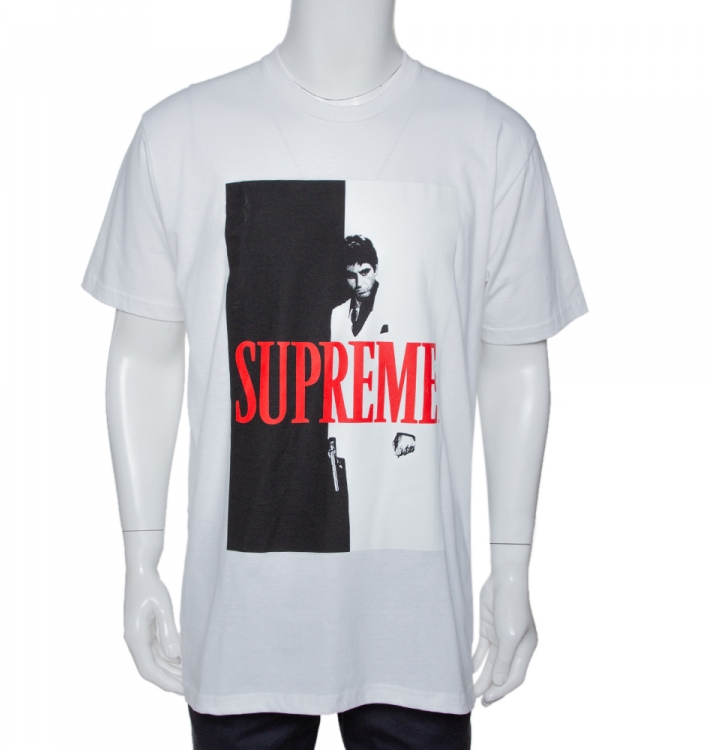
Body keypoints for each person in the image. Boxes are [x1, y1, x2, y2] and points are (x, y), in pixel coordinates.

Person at [82, 1, 587, 748]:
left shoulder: (491, 143)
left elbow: (516, 359)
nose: (355, 279)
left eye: (364, 269)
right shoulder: (180, 136)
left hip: (414, 621)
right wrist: (138, 558)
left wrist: (512, 568)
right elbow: (144, 357)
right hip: (246, 613)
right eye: (346, 271)